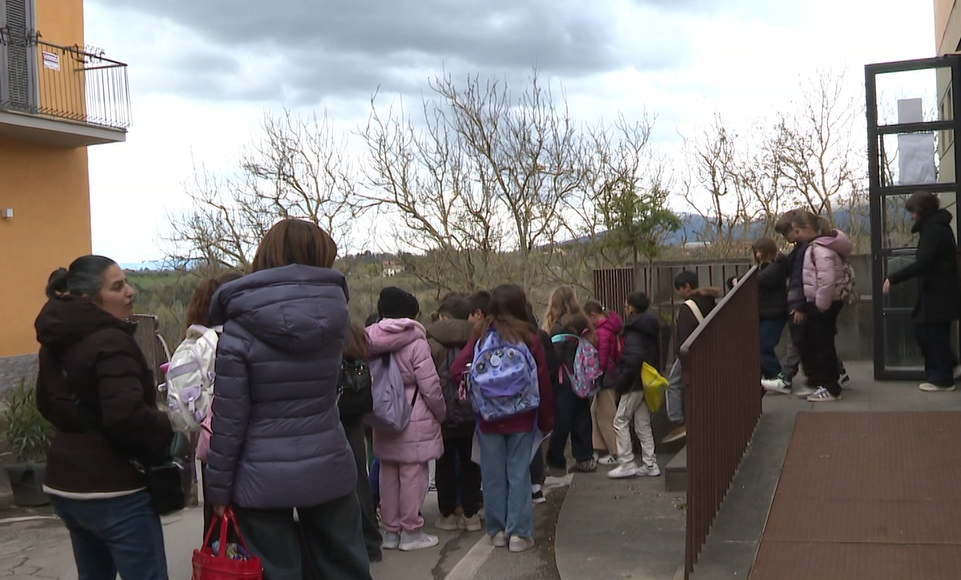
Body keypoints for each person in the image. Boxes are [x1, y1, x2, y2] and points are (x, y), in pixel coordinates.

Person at [205, 219, 372, 580]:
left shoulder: (238, 325)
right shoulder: (336, 316)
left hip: (259, 473)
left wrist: (218, 488)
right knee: (345, 567)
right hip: (327, 458)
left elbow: (230, 418)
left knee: (275, 571)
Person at [35, 255, 174, 580]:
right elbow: (125, 416)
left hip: (66, 486)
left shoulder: (54, 340)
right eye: (117, 286)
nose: (130, 292)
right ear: (88, 299)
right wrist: (171, 425)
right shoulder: (112, 341)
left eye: (126, 282)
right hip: (117, 489)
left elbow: (45, 403)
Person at [450, 284, 554, 553]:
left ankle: (496, 531)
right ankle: (519, 534)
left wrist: (478, 390)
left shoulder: (481, 334)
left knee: (493, 475)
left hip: (488, 418)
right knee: (518, 473)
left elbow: (456, 369)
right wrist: (546, 420)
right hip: (522, 416)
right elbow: (542, 379)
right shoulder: (528, 335)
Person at [367, 287, 447, 552]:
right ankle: (411, 532)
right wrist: (440, 412)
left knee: (387, 472)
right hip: (414, 413)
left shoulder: (370, 340)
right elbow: (430, 385)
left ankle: (391, 532)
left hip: (382, 412)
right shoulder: (416, 341)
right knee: (413, 472)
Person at [181, 271, 243, 536]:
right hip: (244, 440)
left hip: (210, 441)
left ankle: (216, 564)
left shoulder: (198, 342)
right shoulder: (239, 341)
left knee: (217, 517)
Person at [883, 191, 961, 392]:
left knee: (929, 331)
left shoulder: (933, 230)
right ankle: (945, 366)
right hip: (940, 290)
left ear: (922, 211)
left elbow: (924, 262)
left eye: (913, 212)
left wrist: (894, 277)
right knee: (932, 331)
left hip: (937, 291)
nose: (912, 216)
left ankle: (942, 377)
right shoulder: (938, 228)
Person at [776, 211, 850, 394]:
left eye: (797, 231)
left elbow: (825, 280)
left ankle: (828, 386)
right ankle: (826, 383)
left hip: (821, 303)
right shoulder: (817, 247)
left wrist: (819, 306)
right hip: (823, 301)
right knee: (821, 344)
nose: (796, 236)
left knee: (821, 345)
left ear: (807, 229)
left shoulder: (818, 249)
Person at [427, 294, 482, 532]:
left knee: (444, 464)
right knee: (471, 465)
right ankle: (471, 515)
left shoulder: (432, 342)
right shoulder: (479, 337)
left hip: (443, 414)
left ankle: (447, 514)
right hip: (473, 411)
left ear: (443, 316)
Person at [605, 292, 661, 479]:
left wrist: (621, 382)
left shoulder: (634, 329)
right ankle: (650, 463)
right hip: (645, 381)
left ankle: (627, 462)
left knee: (620, 420)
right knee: (642, 423)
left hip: (633, 383)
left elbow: (632, 360)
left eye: (626, 306)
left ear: (631, 308)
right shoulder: (649, 327)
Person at [340, 321, 383, 563]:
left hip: (332, 419)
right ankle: (369, 542)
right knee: (359, 482)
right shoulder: (359, 353)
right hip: (355, 420)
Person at [543, 286, 596, 474]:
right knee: (582, 418)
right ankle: (585, 458)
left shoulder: (559, 326)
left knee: (561, 421)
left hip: (563, 380)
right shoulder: (583, 323)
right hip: (581, 379)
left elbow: (555, 358)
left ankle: (556, 462)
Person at [664, 271, 721, 443]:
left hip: (689, 353)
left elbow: (684, 335)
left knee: (673, 384)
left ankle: (678, 421)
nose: (678, 293)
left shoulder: (687, 307)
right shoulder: (710, 301)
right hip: (707, 351)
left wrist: (681, 356)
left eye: (679, 289)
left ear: (686, 287)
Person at [583, 300, 622, 465]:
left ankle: (615, 451)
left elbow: (602, 359)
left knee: (607, 414)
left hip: (606, 377)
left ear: (593, 315)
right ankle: (599, 447)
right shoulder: (607, 329)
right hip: (609, 376)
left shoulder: (602, 332)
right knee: (596, 411)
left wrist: (594, 374)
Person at [753, 237, 791, 395]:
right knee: (762, 346)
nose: (757, 255)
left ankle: (779, 378)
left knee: (763, 346)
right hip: (770, 312)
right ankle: (773, 379)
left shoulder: (776, 267)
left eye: (760, 251)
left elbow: (759, 280)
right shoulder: (772, 267)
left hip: (774, 313)